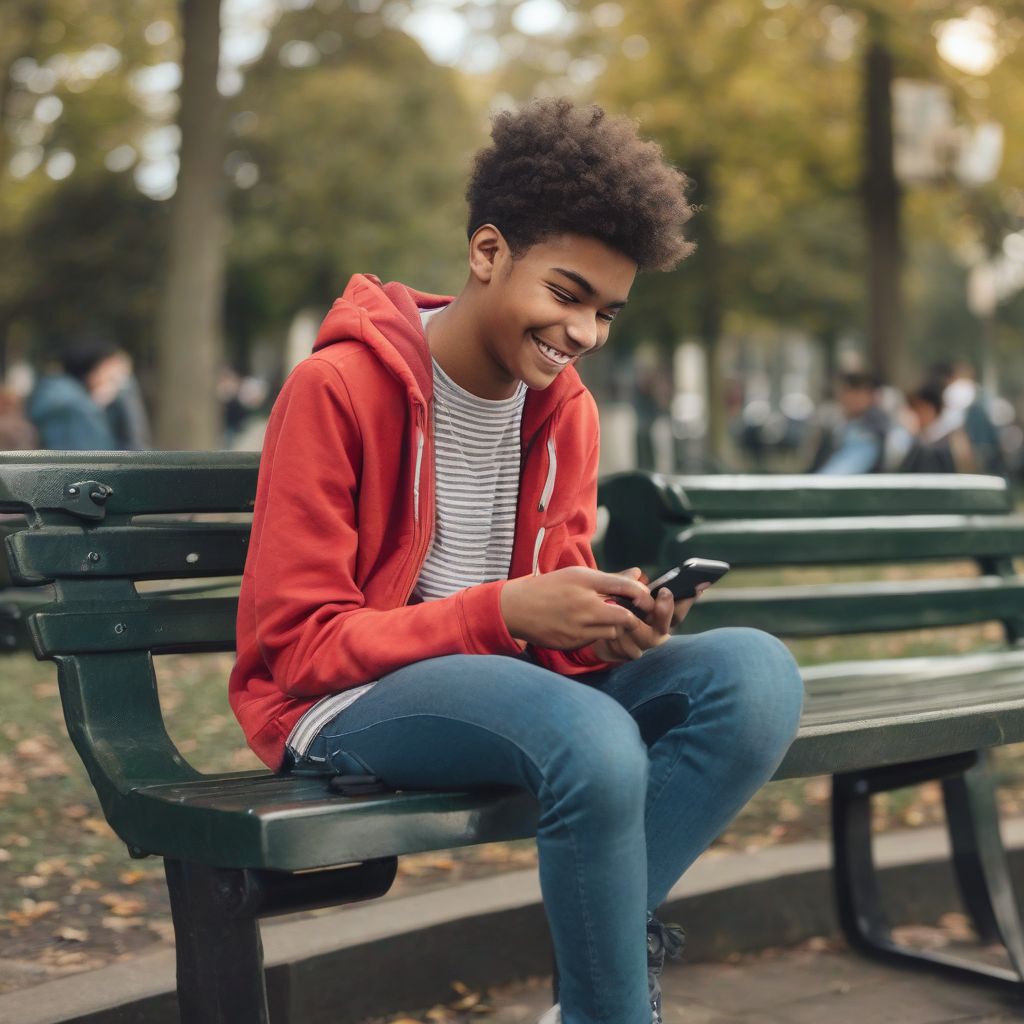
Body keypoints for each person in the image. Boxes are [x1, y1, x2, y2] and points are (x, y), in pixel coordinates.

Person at [228, 98, 804, 1024]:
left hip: (515, 691)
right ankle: (615, 1007)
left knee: (756, 677)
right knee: (591, 738)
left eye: (606, 313)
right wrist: (502, 615)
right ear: (488, 253)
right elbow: (297, 646)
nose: (583, 334)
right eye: (567, 296)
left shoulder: (565, 408)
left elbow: (552, 642)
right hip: (341, 702)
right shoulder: (336, 386)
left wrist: (611, 630)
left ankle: (595, 980)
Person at [27, 340, 119, 450]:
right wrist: (93, 405)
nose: (109, 377)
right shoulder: (68, 402)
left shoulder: (61, 392)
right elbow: (90, 454)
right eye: (105, 369)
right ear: (91, 369)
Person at [811, 371, 893, 474]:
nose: (851, 398)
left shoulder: (870, 430)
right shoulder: (838, 422)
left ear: (872, 396)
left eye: (857, 393)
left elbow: (837, 475)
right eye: (847, 391)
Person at [900, 382, 976, 473]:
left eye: (915, 408)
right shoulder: (944, 441)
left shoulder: (935, 449)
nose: (913, 415)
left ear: (928, 408)